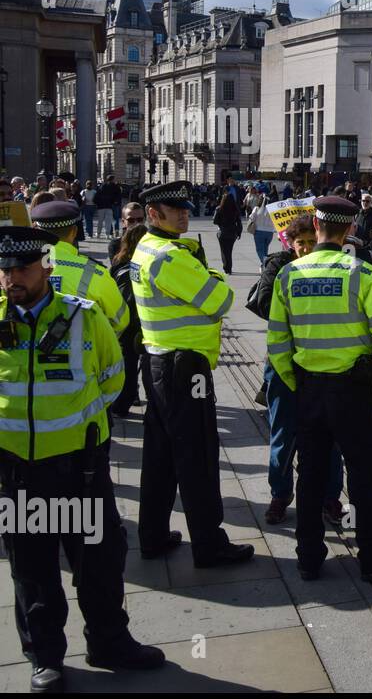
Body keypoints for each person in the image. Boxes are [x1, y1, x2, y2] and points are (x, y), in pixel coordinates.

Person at [0, 225, 165, 692]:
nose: (12, 277)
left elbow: (113, 382)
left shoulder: (83, 318)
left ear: (46, 268)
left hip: (80, 471)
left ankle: (110, 643)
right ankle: (45, 657)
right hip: (19, 473)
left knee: (98, 564)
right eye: (6, 269)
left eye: (23, 268)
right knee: (32, 573)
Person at [267, 196, 372, 582]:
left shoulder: (289, 275)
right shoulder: (363, 274)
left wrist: (297, 380)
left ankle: (308, 558)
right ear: (349, 229)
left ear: (315, 225)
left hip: (309, 389)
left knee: (310, 475)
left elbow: (277, 343)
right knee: (363, 478)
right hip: (353, 391)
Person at [131, 181, 252, 569]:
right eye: (175, 209)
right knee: (197, 455)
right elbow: (220, 301)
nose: (184, 214)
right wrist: (210, 273)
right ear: (154, 214)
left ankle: (151, 535)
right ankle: (209, 544)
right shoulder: (172, 257)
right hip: (186, 369)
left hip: (158, 363)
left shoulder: (145, 247)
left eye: (185, 208)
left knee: (161, 456)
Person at [249, 215, 346, 525]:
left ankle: (330, 497)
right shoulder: (278, 266)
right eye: (299, 243)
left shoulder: (329, 263)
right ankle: (280, 494)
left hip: (320, 362)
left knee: (329, 435)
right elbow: (264, 304)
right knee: (283, 433)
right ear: (289, 244)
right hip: (283, 362)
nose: (305, 248)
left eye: (309, 241)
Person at [28, 201, 129, 338]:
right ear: (74, 232)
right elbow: (121, 320)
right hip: (81, 355)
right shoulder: (95, 273)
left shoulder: (18, 271)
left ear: (37, 230)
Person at [108, 223, 148, 416]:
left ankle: (123, 402)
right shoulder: (148, 263)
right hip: (145, 319)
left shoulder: (119, 262)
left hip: (125, 321)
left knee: (128, 364)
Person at [212, 191, 242, 275]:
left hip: (222, 232)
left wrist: (221, 224)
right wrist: (239, 232)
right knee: (229, 250)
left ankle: (227, 267)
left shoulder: (219, 209)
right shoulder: (235, 209)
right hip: (232, 233)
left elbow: (215, 221)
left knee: (224, 251)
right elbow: (239, 222)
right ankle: (229, 267)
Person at [250, 192, 276, 263]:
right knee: (265, 249)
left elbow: (251, 217)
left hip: (259, 231)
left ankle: (265, 263)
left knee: (259, 249)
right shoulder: (271, 210)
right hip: (270, 232)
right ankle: (265, 263)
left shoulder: (256, 208)